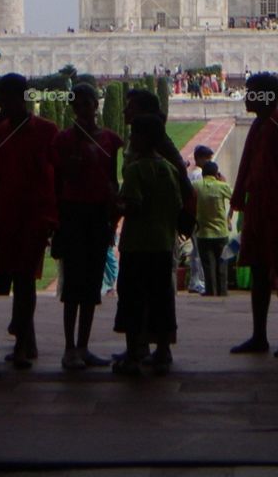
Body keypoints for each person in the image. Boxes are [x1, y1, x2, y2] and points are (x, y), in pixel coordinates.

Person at [229, 73, 278, 356]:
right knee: (260, 271)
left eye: (251, 93)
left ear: (265, 96)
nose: (247, 98)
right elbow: (249, 166)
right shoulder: (260, 126)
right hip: (259, 209)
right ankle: (259, 336)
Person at [51, 82, 123, 369]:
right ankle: (69, 348)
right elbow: (59, 181)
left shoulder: (109, 140)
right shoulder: (64, 140)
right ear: (73, 108)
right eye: (78, 104)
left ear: (96, 104)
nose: (83, 108)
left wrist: (113, 217)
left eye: (87, 103)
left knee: (92, 287)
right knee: (72, 287)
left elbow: (111, 180)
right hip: (72, 214)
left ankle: (84, 346)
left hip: (96, 215)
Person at [0, 74, 58, 367]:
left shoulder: (46, 131)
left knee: (26, 280)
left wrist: (54, 215)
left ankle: (20, 340)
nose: (3, 105)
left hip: (34, 217)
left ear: (20, 98)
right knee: (16, 278)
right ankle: (26, 341)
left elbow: (56, 175)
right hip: (7, 217)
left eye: (6, 99)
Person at [112, 114, 182, 376]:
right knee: (161, 299)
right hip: (163, 244)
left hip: (137, 245)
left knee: (133, 300)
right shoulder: (169, 169)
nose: (130, 140)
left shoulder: (135, 170)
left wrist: (115, 203)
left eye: (134, 135)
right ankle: (162, 352)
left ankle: (133, 355)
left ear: (143, 139)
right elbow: (177, 205)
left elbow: (133, 205)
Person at [195, 160, 233, 295]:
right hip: (221, 234)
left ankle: (211, 295)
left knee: (208, 268)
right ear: (216, 174)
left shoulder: (196, 186)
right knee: (222, 268)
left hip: (203, 234)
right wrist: (229, 217)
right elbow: (236, 199)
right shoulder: (222, 186)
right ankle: (223, 294)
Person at [186, 144, 214, 296]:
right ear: (199, 159)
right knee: (198, 252)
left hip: (194, 217)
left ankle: (194, 281)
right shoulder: (198, 176)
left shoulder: (193, 175)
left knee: (196, 251)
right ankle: (197, 282)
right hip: (198, 217)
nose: (210, 161)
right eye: (207, 158)